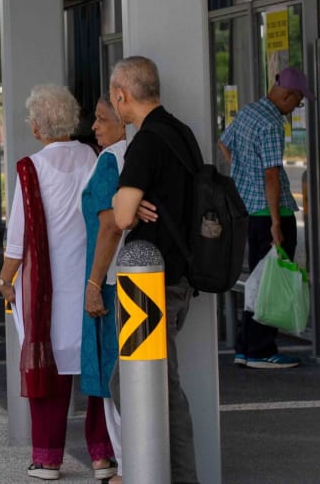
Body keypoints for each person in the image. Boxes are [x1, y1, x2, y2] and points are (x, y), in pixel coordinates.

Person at [0, 84, 115, 482]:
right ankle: (103, 457)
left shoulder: (32, 168)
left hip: (45, 290)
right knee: (96, 366)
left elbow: (19, 237)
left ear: (37, 127)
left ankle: (47, 460)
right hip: (91, 282)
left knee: (49, 369)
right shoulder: (93, 156)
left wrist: (5, 278)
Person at [111, 55, 200, 484]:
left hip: (149, 288)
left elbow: (124, 216)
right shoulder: (182, 133)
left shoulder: (146, 142)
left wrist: (123, 200)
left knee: (158, 391)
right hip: (177, 278)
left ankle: (171, 476)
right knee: (149, 386)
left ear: (122, 94)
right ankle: (158, 470)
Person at [219, 67, 313, 370]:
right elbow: (271, 175)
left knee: (258, 281)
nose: (294, 109)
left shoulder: (248, 112)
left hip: (249, 210)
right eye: (297, 102)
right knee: (271, 282)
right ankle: (262, 349)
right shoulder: (272, 123)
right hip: (272, 214)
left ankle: (246, 347)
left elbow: (224, 142)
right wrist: (275, 222)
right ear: (287, 95)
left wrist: (243, 171)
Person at [80, 93, 126, 484]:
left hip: (110, 281)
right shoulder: (136, 156)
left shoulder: (111, 161)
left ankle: (128, 466)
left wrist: (93, 284)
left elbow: (109, 225)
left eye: (101, 118)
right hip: (133, 277)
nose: (94, 126)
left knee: (113, 378)